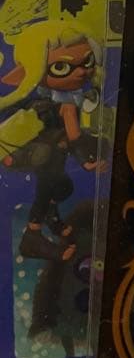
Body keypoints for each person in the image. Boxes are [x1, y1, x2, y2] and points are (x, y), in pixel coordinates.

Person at [0, 21, 105, 261]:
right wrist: (86, 160)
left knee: (60, 184)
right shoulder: (62, 106)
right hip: (30, 155)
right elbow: (74, 137)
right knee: (49, 182)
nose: (81, 72)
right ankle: (32, 235)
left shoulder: (64, 101)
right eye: (61, 67)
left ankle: (52, 220)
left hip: (47, 155)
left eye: (87, 61)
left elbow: (71, 138)